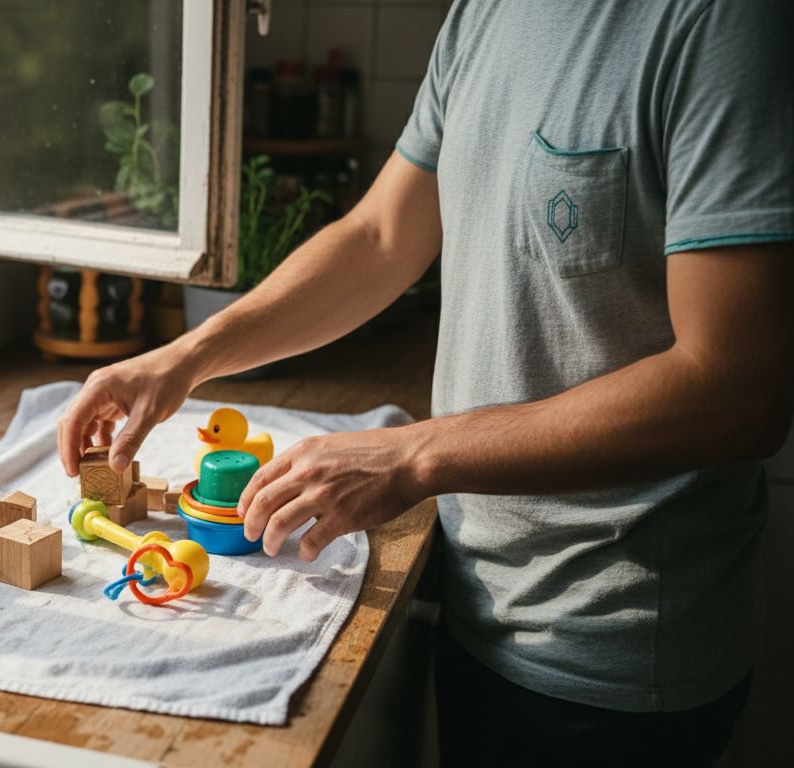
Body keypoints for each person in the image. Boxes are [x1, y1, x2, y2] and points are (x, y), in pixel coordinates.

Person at [55, 0, 793, 763]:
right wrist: (188, 357)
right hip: (478, 596)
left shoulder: (723, 24)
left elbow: (736, 390)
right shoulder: (484, 11)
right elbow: (381, 238)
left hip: (611, 658)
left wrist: (411, 456)